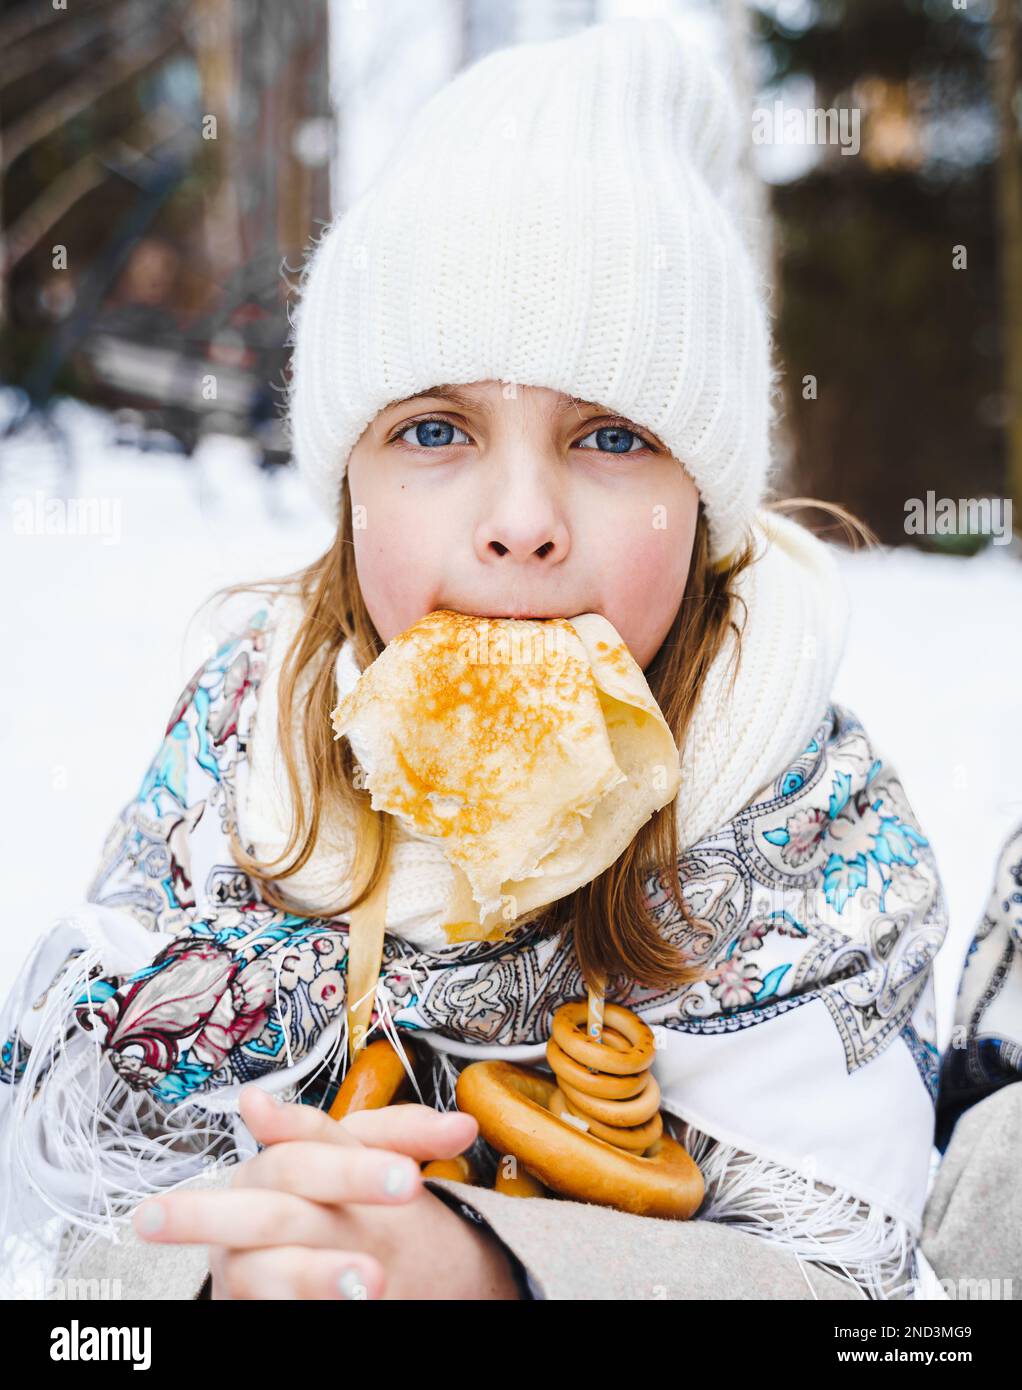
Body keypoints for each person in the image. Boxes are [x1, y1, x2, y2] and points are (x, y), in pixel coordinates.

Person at [0, 17, 958, 1301]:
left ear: (709, 499)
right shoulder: (246, 738)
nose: (519, 519)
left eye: (611, 438)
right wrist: (219, 1278)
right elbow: (52, 1221)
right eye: (437, 428)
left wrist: (507, 1272)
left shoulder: (804, 827)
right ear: (350, 488)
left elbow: (869, 1296)